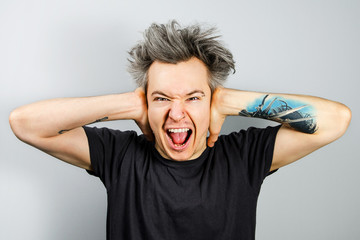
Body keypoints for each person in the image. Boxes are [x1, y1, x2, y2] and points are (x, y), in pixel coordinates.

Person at [9, 20, 351, 240]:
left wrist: (231, 100)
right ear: (146, 103)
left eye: (193, 97)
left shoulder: (244, 155)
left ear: (211, 102)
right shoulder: (119, 155)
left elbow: (337, 119)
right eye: (161, 98)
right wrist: (128, 104)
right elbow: (24, 124)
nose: (176, 113)